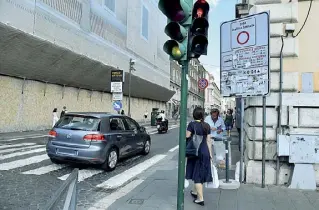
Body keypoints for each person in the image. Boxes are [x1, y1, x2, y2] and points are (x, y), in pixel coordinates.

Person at [185, 107, 213, 206]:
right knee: (200, 171)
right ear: (203, 115)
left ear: (194, 115)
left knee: (197, 175)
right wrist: (210, 154)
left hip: (195, 152)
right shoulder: (207, 125)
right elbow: (209, 141)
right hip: (205, 151)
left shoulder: (192, 124)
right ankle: (195, 191)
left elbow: (187, 136)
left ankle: (200, 199)